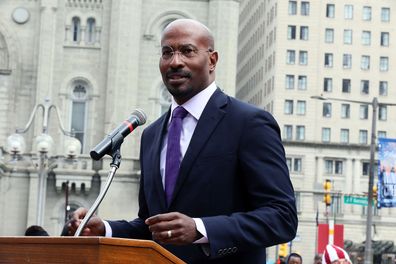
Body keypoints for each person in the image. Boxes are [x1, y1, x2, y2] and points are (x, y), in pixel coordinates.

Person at [67, 18, 297, 263]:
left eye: (187, 51)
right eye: (167, 53)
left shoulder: (249, 123)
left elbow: (282, 217)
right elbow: (154, 227)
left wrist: (200, 229)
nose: (175, 62)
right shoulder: (151, 135)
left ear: (212, 60)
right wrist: (107, 229)